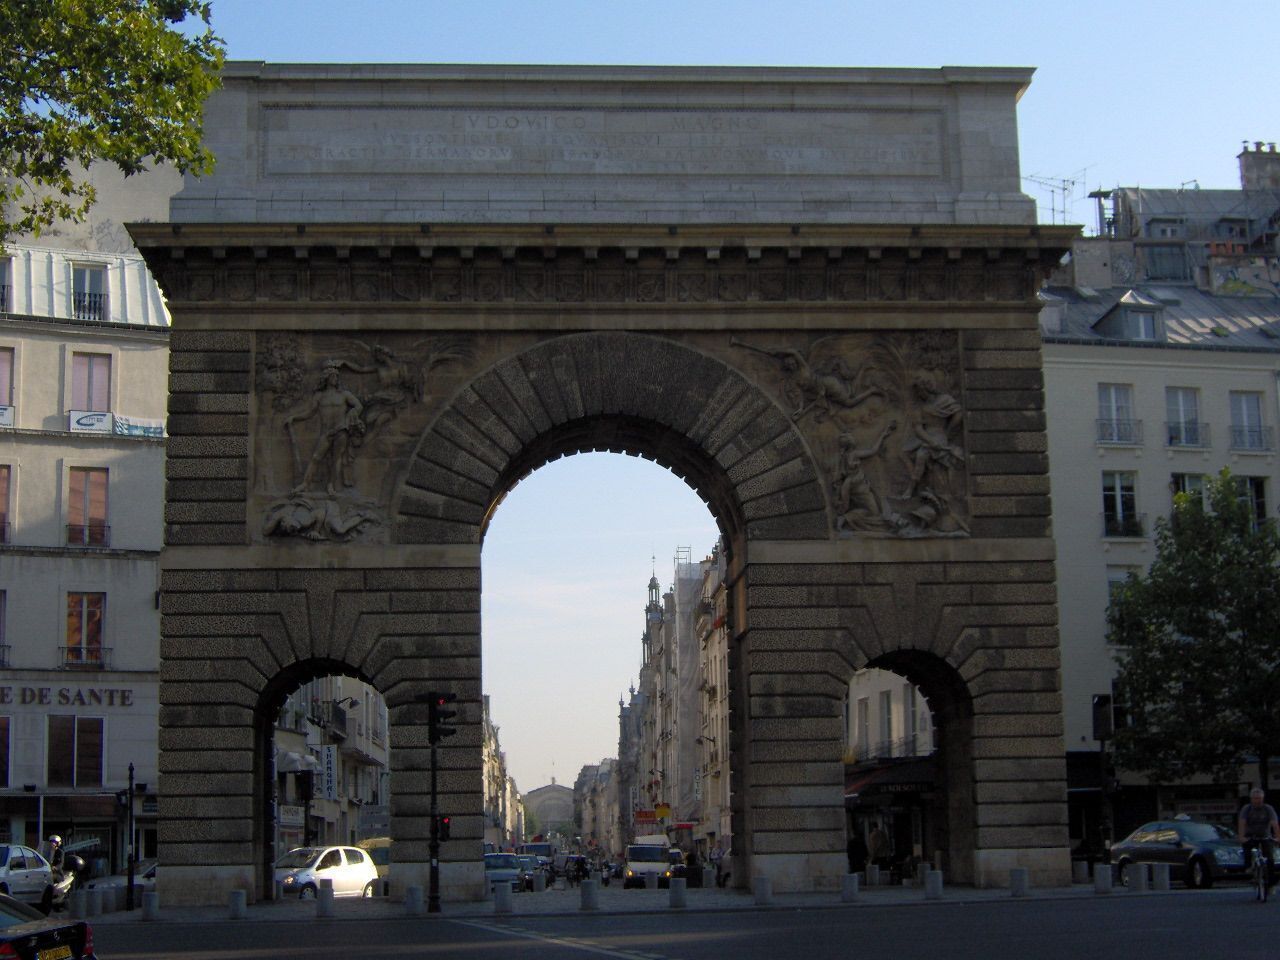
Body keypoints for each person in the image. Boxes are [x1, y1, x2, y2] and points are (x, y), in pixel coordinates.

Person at [1237, 787, 1280, 894]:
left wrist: (1278, 837)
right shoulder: (1247, 809)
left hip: (1265, 835)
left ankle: (1271, 884)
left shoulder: (1268, 808)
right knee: (1247, 847)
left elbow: (1275, 824)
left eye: (1259, 798)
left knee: (1270, 859)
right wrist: (1242, 836)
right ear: (1251, 799)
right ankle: (1249, 866)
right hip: (1250, 835)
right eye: (1255, 798)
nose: (1257, 801)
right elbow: (1242, 823)